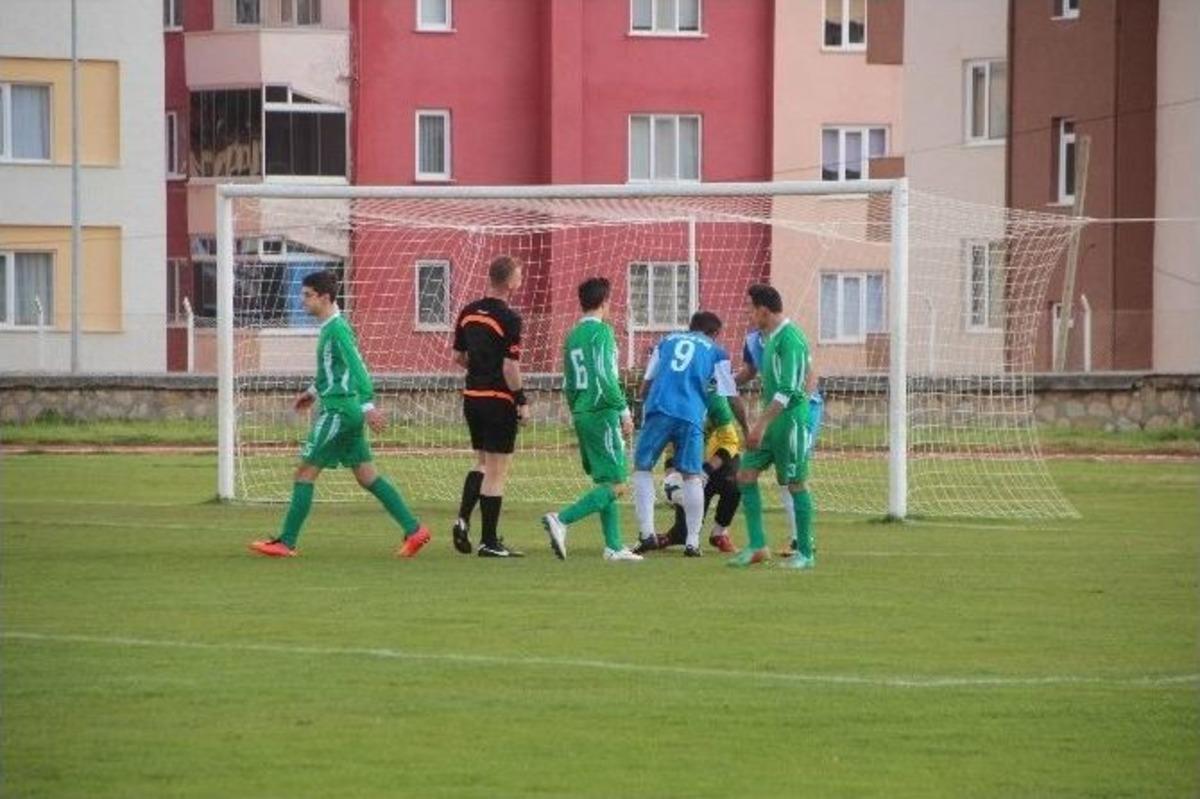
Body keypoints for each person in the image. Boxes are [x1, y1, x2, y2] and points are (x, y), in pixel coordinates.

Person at [249, 270, 430, 558]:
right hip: (345, 409)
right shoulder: (332, 328)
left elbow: (357, 367)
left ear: (324, 297)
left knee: (304, 473)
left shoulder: (337, 330)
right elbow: (335, 372)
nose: (302, 300)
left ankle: (287, 541)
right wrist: (312, 393)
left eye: (307, 295)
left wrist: (368, 404)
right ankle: (414, 529)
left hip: (339, 412)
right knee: (367, 476)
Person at [541, 278, 642, 562]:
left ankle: (613, 546)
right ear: (605, 303)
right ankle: (561, 519)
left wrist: (577, 410)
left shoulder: (573, 336)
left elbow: (569, 383)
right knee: (618, 485)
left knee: (607, 479)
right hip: (602, 410)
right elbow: (606, 376)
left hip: (583, 411)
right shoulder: (603, 333)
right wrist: (623, 411)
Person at [631, 312, 746, 557]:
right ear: (714, 334)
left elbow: (646, 384)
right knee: (693, 477)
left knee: (642, 468)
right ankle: (693, 543)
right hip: (692, 415)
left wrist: (643, 404)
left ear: (690, 328)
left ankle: (647, 533)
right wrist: (747, 427)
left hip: (660, 408)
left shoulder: (666, 341)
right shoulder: (717, 352)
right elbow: (732, 395)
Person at [730, 284, 817, 569]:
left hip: (789, 422)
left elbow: (789, 390)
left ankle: (805, 553)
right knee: (745, 475)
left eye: (750, 309)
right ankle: (757, 546)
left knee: (795, 483)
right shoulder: (768, 338)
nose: (748, 314)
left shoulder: (790, 339)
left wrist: (759, 424)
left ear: (763, 311)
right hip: (772, 421)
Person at [450, 255, 528, 558]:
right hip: (498, 400)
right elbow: (510, 367)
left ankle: (462, 518)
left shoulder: (468, 312)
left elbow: (458, 356)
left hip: (472, 397)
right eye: (519, 276)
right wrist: (521, 399)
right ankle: (489, 541)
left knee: (481, 463)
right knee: (497, 471)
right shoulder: (510, 318)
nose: (520, 280)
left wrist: (480, 366)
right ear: (509, 282)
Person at [659, 387, 743, 553]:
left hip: (720, 460)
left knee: (734, 484)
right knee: (684, 533)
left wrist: (706, 470)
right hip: (692, 465)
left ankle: (719, 533)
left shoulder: (715, 400)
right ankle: (675, 534)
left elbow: (731, 441)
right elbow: (671, 446)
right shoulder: (674, 406)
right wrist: (671, 480)